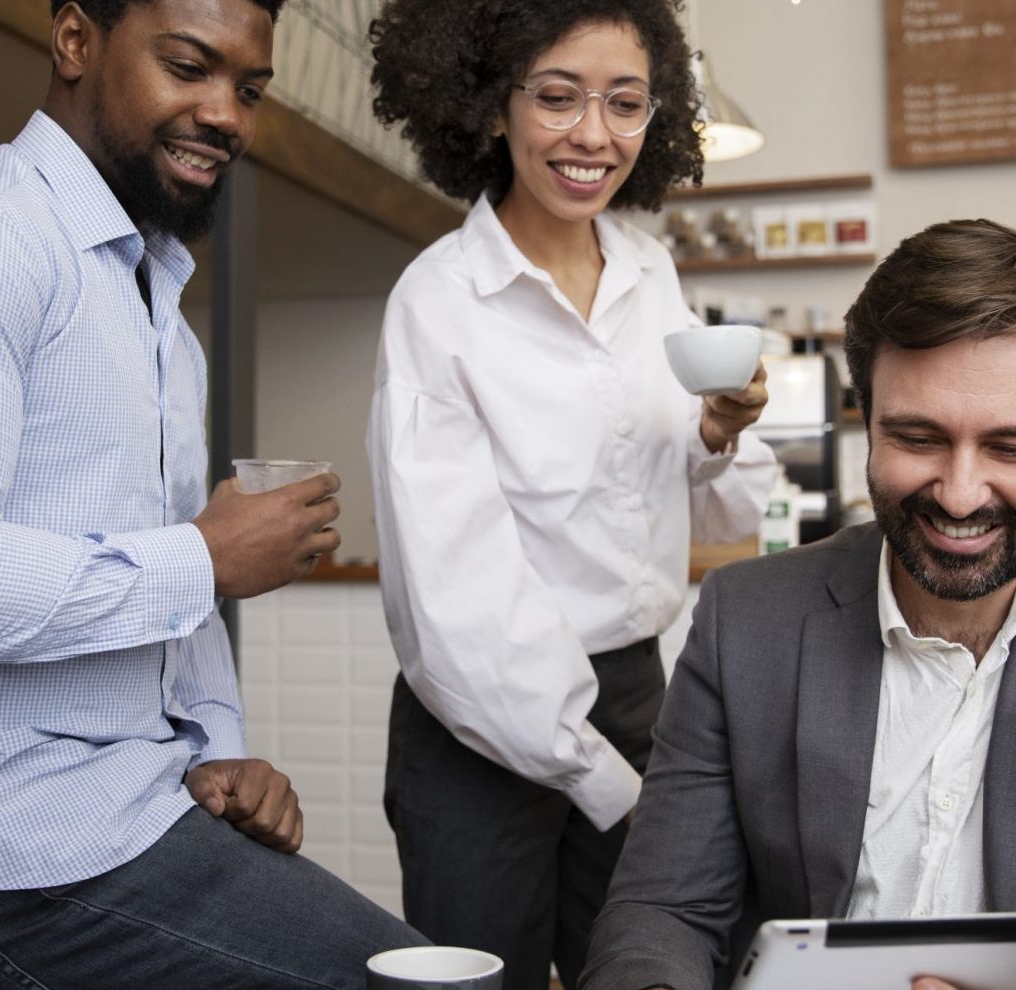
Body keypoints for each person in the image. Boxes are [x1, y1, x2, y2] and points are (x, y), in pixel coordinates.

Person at [0, 1, 422, 985]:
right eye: (188, 67)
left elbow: (159, 587)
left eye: (249, 91)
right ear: (76, 41)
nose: (226, 115)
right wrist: (204, 559)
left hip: (122, 818)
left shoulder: (159, 315)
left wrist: (215, 754)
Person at [582, 219, 1016, 990]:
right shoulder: (746, 617)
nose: (960, 494)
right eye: (917, 437)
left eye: (1013, 448)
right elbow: (661, 915)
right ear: (867, 423)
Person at [365, 2, 777, 987]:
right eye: (557, 97)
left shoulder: (649, 271)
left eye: (625, 103)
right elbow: (459, 600)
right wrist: (613, 779)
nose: (593, 135)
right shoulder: (440, 301)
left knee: (650, 968)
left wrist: (718, 431)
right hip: (482, 727)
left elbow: (713, 501)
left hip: (635, 691)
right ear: (488, 107)